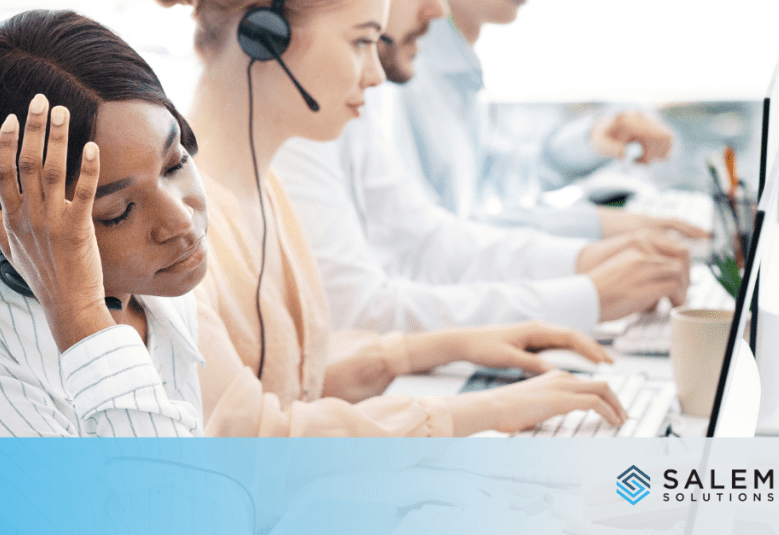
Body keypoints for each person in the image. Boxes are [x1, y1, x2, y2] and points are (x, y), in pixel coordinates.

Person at [162, 0, 627, 437]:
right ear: (265, 37)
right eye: (361, 41)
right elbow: (254, 438)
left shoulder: (264, 189)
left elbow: (287, 380)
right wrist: (489, 410)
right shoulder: (178, 229)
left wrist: (441, 347)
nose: (376, 75)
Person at [0, 10, 207, 437]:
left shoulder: (150, 287)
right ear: (13, 233)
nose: (179, 220)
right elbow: (170, 499)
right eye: (117, 212)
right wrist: (82, 321)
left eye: (175, 163)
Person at [272, 0, 695, 335]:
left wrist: (585, 261)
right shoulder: (367, 83)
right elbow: (364, 305)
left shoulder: (376, 84)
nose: (437, 11)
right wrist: (585, 285)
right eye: (360, 40)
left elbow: (433, 235)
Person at [394, 0, 697, 239]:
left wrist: (590, 141)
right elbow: (444, 236)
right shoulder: (397, 75)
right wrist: (596, 228)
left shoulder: (456, 71)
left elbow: (492, 179)